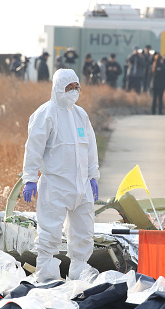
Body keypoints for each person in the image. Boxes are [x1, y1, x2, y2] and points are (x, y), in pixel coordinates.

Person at [21, 68, 100, 282]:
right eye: (69, 88)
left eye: (76, 87)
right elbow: (34, 148)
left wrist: (93, 176)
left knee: (84, 232)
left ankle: (79, 275)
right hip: (55, 185)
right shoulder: (45, 114)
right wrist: (29, 178)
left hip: (81, 186)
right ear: (57, 89)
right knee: (49, 233)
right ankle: (47, 277)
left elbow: (90, 147)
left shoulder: (80, 114)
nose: (74, 92)